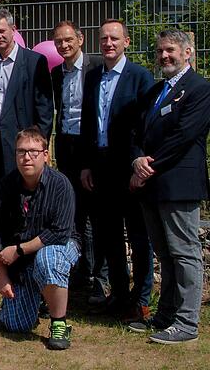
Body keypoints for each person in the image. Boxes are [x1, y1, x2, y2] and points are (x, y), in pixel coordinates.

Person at [128, 29, 210, 344]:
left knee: (185, 253)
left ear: (188, 52)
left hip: (178, 185)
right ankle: (165, 316)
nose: (164, 56)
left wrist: (147, 168)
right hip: (151, 186)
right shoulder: (155, 91)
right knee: (165, 253)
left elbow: (183, 137)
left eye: (171, 50)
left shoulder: (200, 89)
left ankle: (187, 323)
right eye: (160, 50)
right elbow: (138, 134)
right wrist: (136, 160)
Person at [79, 19, 154, 322]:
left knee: (138, 237)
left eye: (114, 38)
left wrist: (140, 162)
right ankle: (120, 296)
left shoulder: (140, 77)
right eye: (103, 39)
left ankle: (142, 300)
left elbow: (146, 126)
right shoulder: (94, 76)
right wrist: (86, 164)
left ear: (127, 41)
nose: (108, 43)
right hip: (101, 166)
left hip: (130, 168)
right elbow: (87, 123)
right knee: (108, 237)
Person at [0, 7, 54, 291]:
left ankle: (23, 268)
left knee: (22, 209)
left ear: (13, 30)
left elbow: (45, 108)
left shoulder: (34, 62)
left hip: (22, 151)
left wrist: (37, 147)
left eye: (2, 31)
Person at [0, 127, 78, 350]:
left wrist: (18, 250)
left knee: (48, 259)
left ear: (45, 155)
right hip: (23, 261)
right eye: (21, 152)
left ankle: (59, 322)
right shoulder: (3, 188)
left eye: (33, 151)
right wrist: (1, 277)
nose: (26, 157)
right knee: (15, 325)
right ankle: (33, 296)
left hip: (59, 247)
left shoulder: (61, 185)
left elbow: (58, 233)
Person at [50, 21, 108, 304]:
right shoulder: (56, 73)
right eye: (59, 41)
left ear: (80, 39)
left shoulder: (97, 67)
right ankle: (79, 275)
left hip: (91, 150)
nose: (64, 45)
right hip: (67, 149)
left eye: (68, 39)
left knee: (96, 218)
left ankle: (100, 279)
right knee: (72, 215)